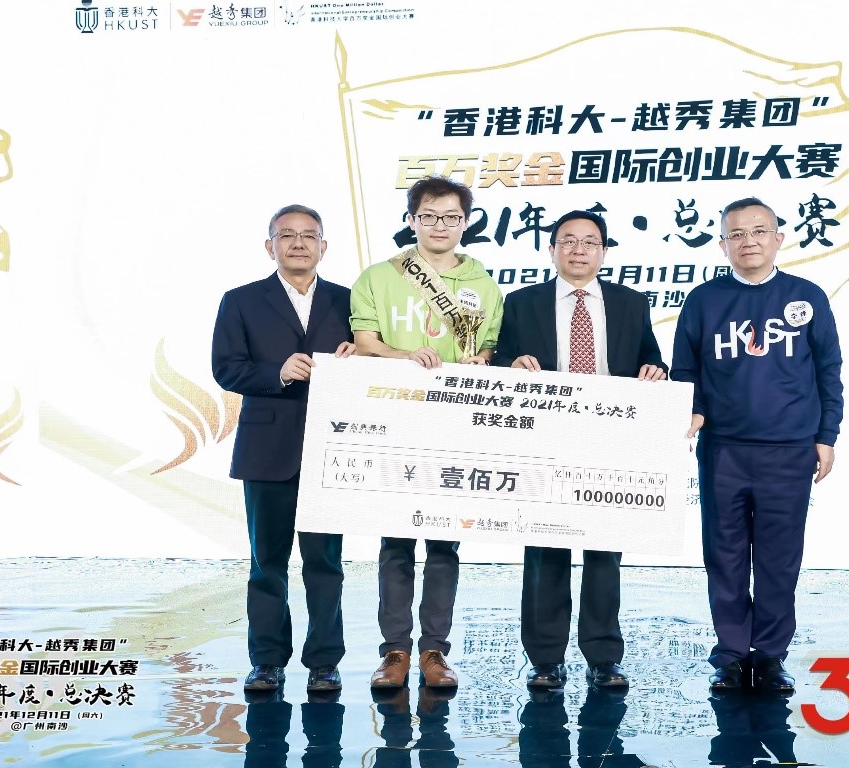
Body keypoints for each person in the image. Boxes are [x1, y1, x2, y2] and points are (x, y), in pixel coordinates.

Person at [670, 196, 843, 693]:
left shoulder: (806, 297)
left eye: (759, 231)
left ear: (778, 238)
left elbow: (828, 369)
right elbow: (685, 368)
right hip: (722, 449)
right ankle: (730, 655)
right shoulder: (704, 300)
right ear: (722, 244)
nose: (749, 241)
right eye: (737, 234)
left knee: (778, 559)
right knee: (723, 555)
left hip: (789, 449)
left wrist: (826, 435)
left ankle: (768, 656)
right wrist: (691, 409)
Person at [492, 210, 667, 690]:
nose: (578, 249)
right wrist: (513, 363)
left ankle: (604, 657)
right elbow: (500, 357)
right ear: (551, 250)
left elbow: (650, 356)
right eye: (568, 241)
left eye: (590, 242)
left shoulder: (631, 303)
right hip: (543, 438)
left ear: (604, 252)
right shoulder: (522, 302)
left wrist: (655, 369)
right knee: (545, 550)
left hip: (610, 439)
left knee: (604, 551)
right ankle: (545, 659)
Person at [350, 175, 504, 689]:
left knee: (444, 544)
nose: (441, 226)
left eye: (452, 217)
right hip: (394, 422)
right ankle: (394, 651)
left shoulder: (485, 285)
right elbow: (364, 342)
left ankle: (434, 651)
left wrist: (480, 360)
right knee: (395, 540)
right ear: (412, 220)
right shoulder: (380, 277)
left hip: (456, 427)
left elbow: (488, 348)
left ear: (466, 223)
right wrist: (404, 357)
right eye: (430, 216)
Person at [212, 203, 356, 692]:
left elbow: (371, 362)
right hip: (266, 449)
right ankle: (267, 661)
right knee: (266, 564)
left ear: (324, 246)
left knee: (326, 564)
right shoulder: (241, 301)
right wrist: (276, 372)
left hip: (332, 449)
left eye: (309, 235)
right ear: (269, 245)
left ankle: (324, 662)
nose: (298, 243)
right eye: (287, 235)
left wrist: (359, 356)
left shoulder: (349, 301)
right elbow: (226, 368)